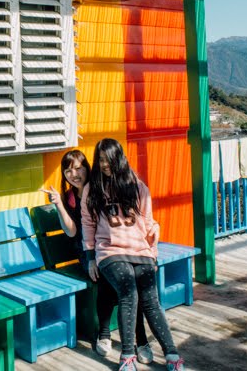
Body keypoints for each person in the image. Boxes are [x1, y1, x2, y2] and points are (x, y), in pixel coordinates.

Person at [81, 139, 185, 371]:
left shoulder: (137, 186)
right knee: (128, 292)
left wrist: (153, 254)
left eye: (109, 160)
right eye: (101, 160)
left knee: (151, 300)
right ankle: (127, 356)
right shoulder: (92, 189)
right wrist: (90, 258)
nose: (105, 164)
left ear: (119, 159)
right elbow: (88, 224)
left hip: (140, 250)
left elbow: (148, 222)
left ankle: (172, 354)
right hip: (110, 251)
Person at [42, 149, 153, 365]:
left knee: (131, 280)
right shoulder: (70, 198)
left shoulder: (101, 188)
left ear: (87, 167)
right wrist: (59, 205)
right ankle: (107, 334)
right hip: (88, 252)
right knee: (109, 278)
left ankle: (138, 339)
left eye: (78, 168)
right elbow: (72, 232)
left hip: (115, 246)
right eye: (68, 170)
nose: (74, 174)